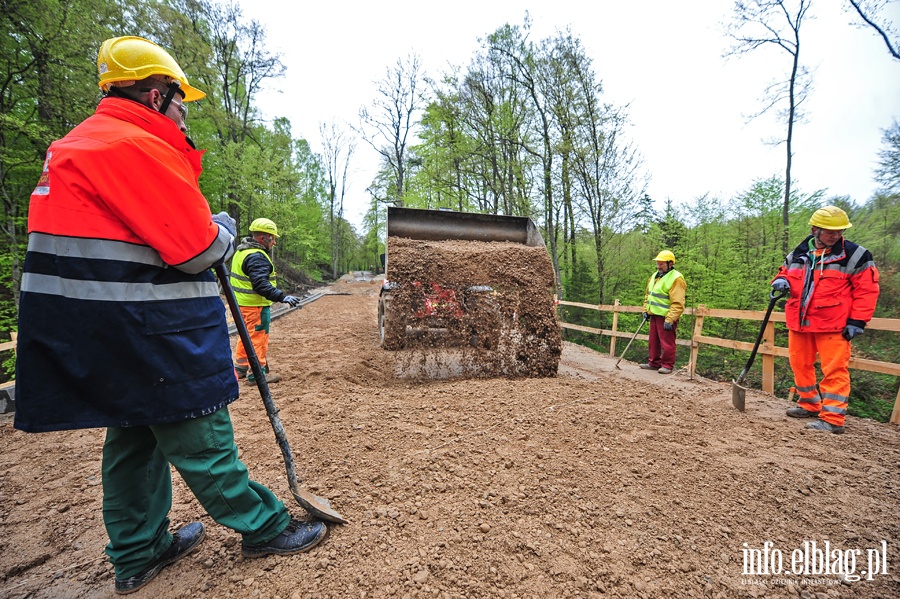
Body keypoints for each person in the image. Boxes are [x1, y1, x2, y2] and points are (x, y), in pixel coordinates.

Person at [14, 36, 326, 595]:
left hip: (97, 330)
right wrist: (223, 229)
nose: (185, 114)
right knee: (199, 427)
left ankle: (138, 552)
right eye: (182, 102)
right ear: (156, 95)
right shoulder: (136, 146)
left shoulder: (79, 145)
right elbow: (197, 249)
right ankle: (264, 526)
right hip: (149, 331)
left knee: (133, 438)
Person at [772, 205, 880, 434]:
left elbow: (867, 291)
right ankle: (809, 403)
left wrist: (857, 321)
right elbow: (784, 271)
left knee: (835, 370)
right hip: (800, 322)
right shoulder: (798, 253)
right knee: (799, 365)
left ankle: (832, 419)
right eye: (831, 231)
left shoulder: (857, 255)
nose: (836, 235)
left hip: (834, 323)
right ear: (815, 230)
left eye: (840, 231)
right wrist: (780, 281)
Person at [229, 218, 303, 383]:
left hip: (241, 304)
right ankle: (257, 374)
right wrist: (282, 296)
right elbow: (261, 285)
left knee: (246, 336)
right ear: (263, 238)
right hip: (255, 306)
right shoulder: (257, 257)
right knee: (257, 338)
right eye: (273, 238)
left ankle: (241, 368)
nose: (274, 242)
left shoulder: (242, 252)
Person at [640, 250, 687, 374]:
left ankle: (667, 365)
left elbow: (678, 302)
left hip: (666, 316)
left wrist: (670, 318)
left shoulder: (676, 279)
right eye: (658, 263)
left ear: (670, 264)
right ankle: (654, 362)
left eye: (661, 264)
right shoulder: (655, 276)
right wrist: (645, 310)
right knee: (653, 341)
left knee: (667, 342)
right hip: (654, 314)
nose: (658, 266)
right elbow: (648, 295)